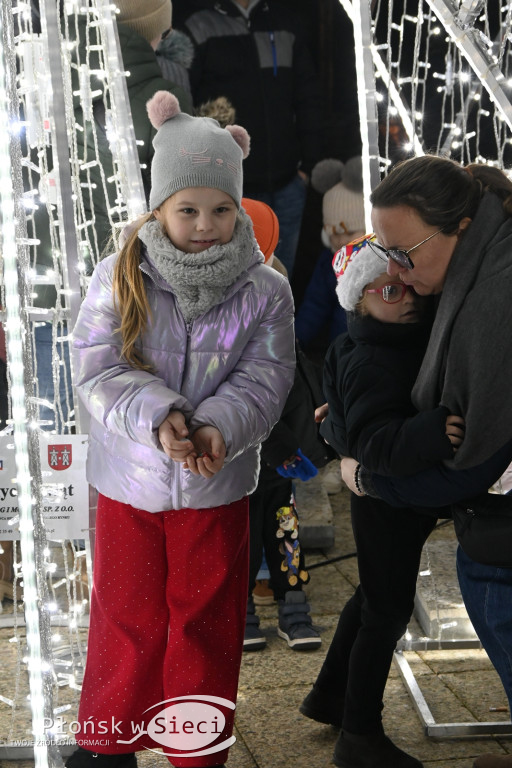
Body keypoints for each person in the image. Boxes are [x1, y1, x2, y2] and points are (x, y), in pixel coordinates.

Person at [66, 91, 295, 768]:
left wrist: (219, 426)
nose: (204, 224)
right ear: (159, 208)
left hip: (214, 487)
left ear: (239, 207)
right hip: (129, 485)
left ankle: (195, 752)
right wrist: (158, 415)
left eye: (221, 209)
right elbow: (96, 367)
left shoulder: (265, 289)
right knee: (126, 617)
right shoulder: (120, 275)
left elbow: (266, 378)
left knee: (204, 624)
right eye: (188, 209)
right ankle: (109, 744)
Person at [338, 156, 512, 768]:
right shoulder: (463, 278)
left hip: (481, 524)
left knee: (383, 605)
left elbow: (470, 459)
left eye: (404, 255)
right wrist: (352, 442)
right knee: (379, 605)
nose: (398, 274)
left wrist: (364, 469)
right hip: (458, 514)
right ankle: (348, 720)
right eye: (386, 261)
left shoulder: (487, 297)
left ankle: (344, 717)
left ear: (459, 228)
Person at [298, 233, 464, 768]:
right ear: (356, 299)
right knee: (385, 613)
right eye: (388, 292)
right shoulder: (371, 356)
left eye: (409, 285)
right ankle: (360, 735)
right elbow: (376, 445)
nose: (407, 297)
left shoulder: (382, 342)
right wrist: (434, 433)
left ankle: (329, 697)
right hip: (386, 502)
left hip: (391, 501)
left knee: (370, 597)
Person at [173, 0, 323, 278]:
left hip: (288, 184)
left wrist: (308, 166)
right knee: (230, 284)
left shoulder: (285, 20)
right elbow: (183, 108)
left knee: (279, 281)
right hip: (228, 191)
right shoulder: (196, 24)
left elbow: (308, 98)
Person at [241, 197, 329, 652]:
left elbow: (291, 376)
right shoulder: (231, 310)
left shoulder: (276, 291)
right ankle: (243, 610)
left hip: (283, 443)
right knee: (243, 528)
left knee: (283, 521)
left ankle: (292, 601)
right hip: (242, 445)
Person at [295, 156, 366, 357]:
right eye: (334, 234)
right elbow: (315, 304)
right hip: (340, 351)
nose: (341, 241)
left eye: (351, 232)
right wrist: (297, 339)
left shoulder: (383, 264)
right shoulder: (329, 262)